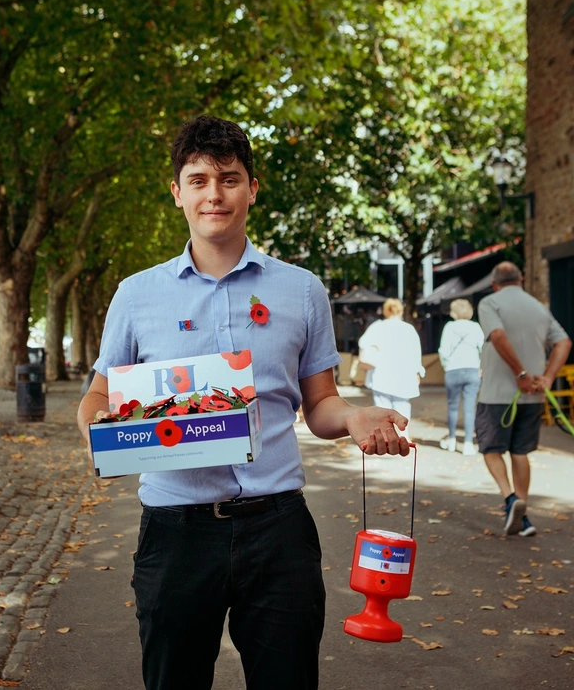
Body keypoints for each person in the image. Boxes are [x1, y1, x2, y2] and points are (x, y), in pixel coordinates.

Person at [78, 115, 411, 690]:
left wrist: (354, 416)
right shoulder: (136, 295)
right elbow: (99, 397)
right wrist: (104, 440)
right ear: (177, 191)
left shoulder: (302, 290)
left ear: (252, 189)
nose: (215, 194)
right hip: (175, 532)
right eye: (200, 179)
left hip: (278, 530)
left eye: (229, 179)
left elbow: (321, 403)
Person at [476, 261, 571, 537]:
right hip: (533, 397)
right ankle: (524, 515)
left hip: (497, 395)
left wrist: (520, 373)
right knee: (520, 452)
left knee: (491, 448)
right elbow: (564, 342)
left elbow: (496, 335)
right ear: (522, 279)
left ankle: (509, 499)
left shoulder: (490, 303)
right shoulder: (538, 307)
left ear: (495, 283)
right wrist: (548, 377)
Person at [357, 298, 425, 442]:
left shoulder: (377, 327)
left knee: (382, 409)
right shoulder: (408, 329)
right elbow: (415, 353)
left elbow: (363, 343)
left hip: (382, 374)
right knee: (403, 407)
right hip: (403, 375)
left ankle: (386, 439)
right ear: (401, 311)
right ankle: (403, 436)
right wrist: (417, 372)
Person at [438, 299, 484, 455]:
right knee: (470, 408)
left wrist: (447, 366)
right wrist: (482, 367)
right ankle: (468, 443)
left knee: (452, 406)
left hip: (453, 370)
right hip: (472, 369)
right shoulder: (476, 327)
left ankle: (451, 440)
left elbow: (443, 351)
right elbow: (483, 348)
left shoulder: (449, 327)